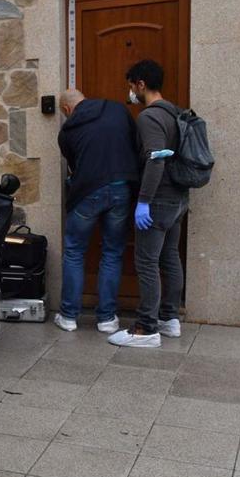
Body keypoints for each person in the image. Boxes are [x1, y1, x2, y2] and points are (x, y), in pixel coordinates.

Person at [108, 60, 186, 348]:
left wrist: (143, 202)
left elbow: (156, 160)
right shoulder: (174, 112)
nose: (130, 92)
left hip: (158, 199)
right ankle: (169, 319)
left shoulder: (150, 117)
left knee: (147, 262)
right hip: (177, 199)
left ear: (141, 84)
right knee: (169, 258)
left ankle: (146, 328)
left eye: (131, 86)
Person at [53, 89, 140, 334]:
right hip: (121, 188)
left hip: (87, 194)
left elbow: (74, 165)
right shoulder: (117, 109)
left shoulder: (67, 132)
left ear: (67, 109)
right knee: (112, 253)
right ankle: (107, 319)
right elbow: (135, 142)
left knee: (74, 252)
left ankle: (69, 317)